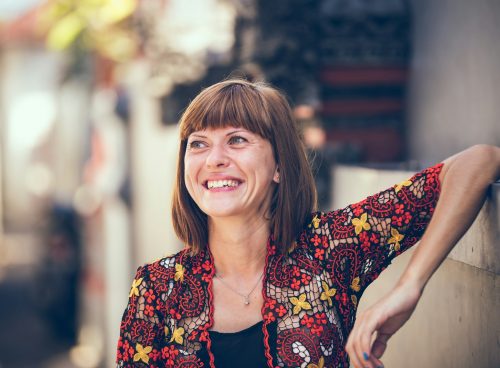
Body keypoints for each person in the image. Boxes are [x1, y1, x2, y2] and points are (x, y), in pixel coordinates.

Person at [116, 79, 499, 368]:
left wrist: (409, 286)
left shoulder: (330, 247)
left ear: (279, 165)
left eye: (236, 140)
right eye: (197, 143)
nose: (213, 159)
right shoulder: (157, 289)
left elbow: (479, 162)